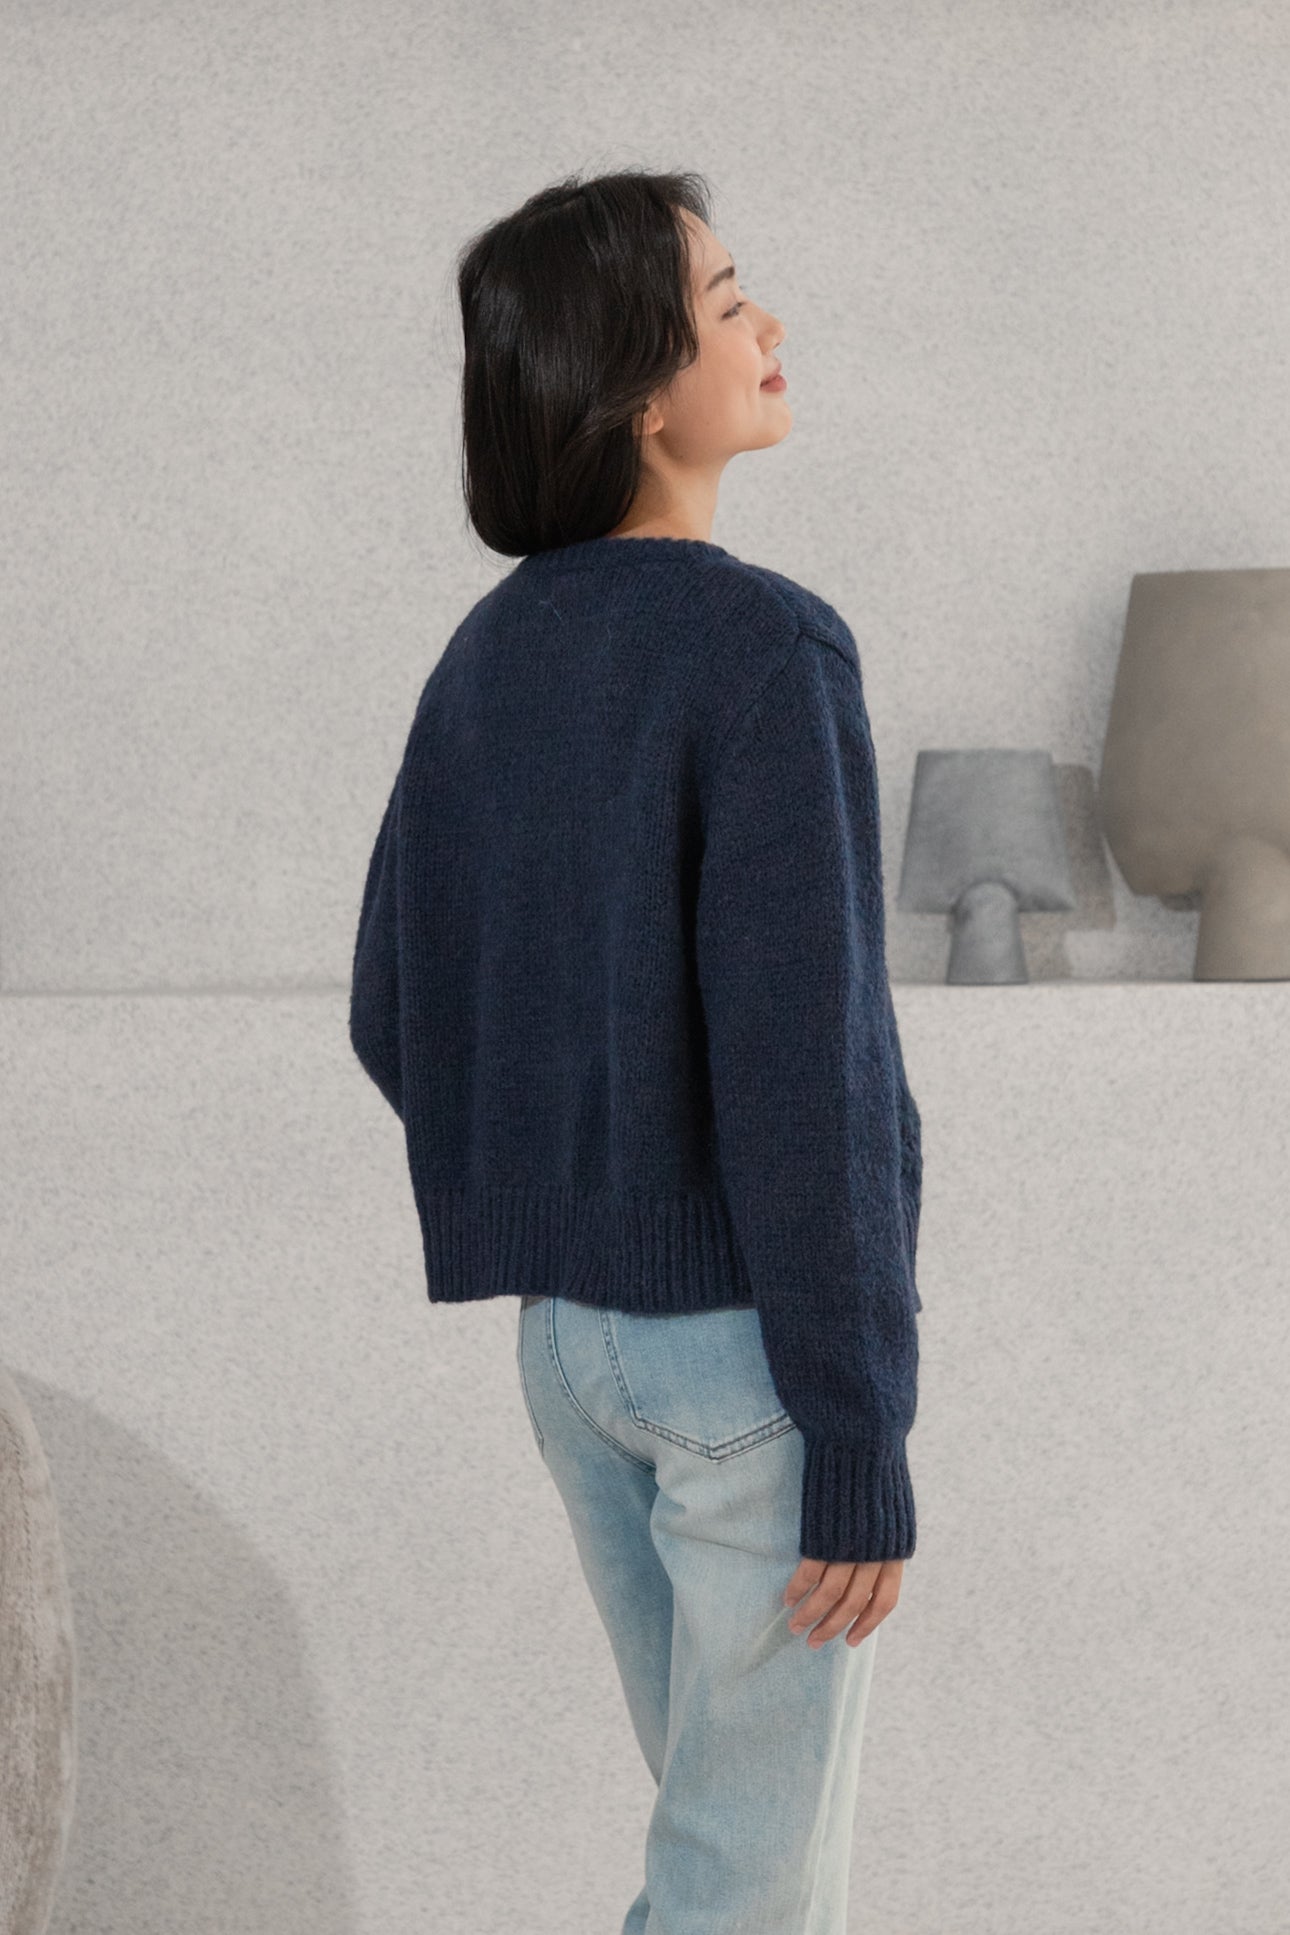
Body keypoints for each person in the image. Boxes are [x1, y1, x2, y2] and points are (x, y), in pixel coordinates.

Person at [349, 166, 923, 1935]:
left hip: (568, 1349)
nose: (770, 325)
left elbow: (389, 1003)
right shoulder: (761, 644)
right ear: (636, 391)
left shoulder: (486, 656)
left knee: (718, 1851)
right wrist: (856, 1427)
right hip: (748, 1360)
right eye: (729, 300)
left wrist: (561, 1190)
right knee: (744, 1892)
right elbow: (807, 1076)